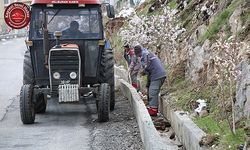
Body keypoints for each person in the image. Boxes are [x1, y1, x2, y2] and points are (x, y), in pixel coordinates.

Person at [134, 45, 166, 116]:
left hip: (158, 75)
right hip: (156, 74)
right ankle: (151, 106)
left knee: (153, 91)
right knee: (150, 88)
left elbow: (146, 65)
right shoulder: (145, 53)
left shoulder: (145, 54)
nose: (138, 56)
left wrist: (143, 71)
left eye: (138, 55)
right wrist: (147, 84)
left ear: (139, 53)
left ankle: (153, 110)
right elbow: (148, 71)